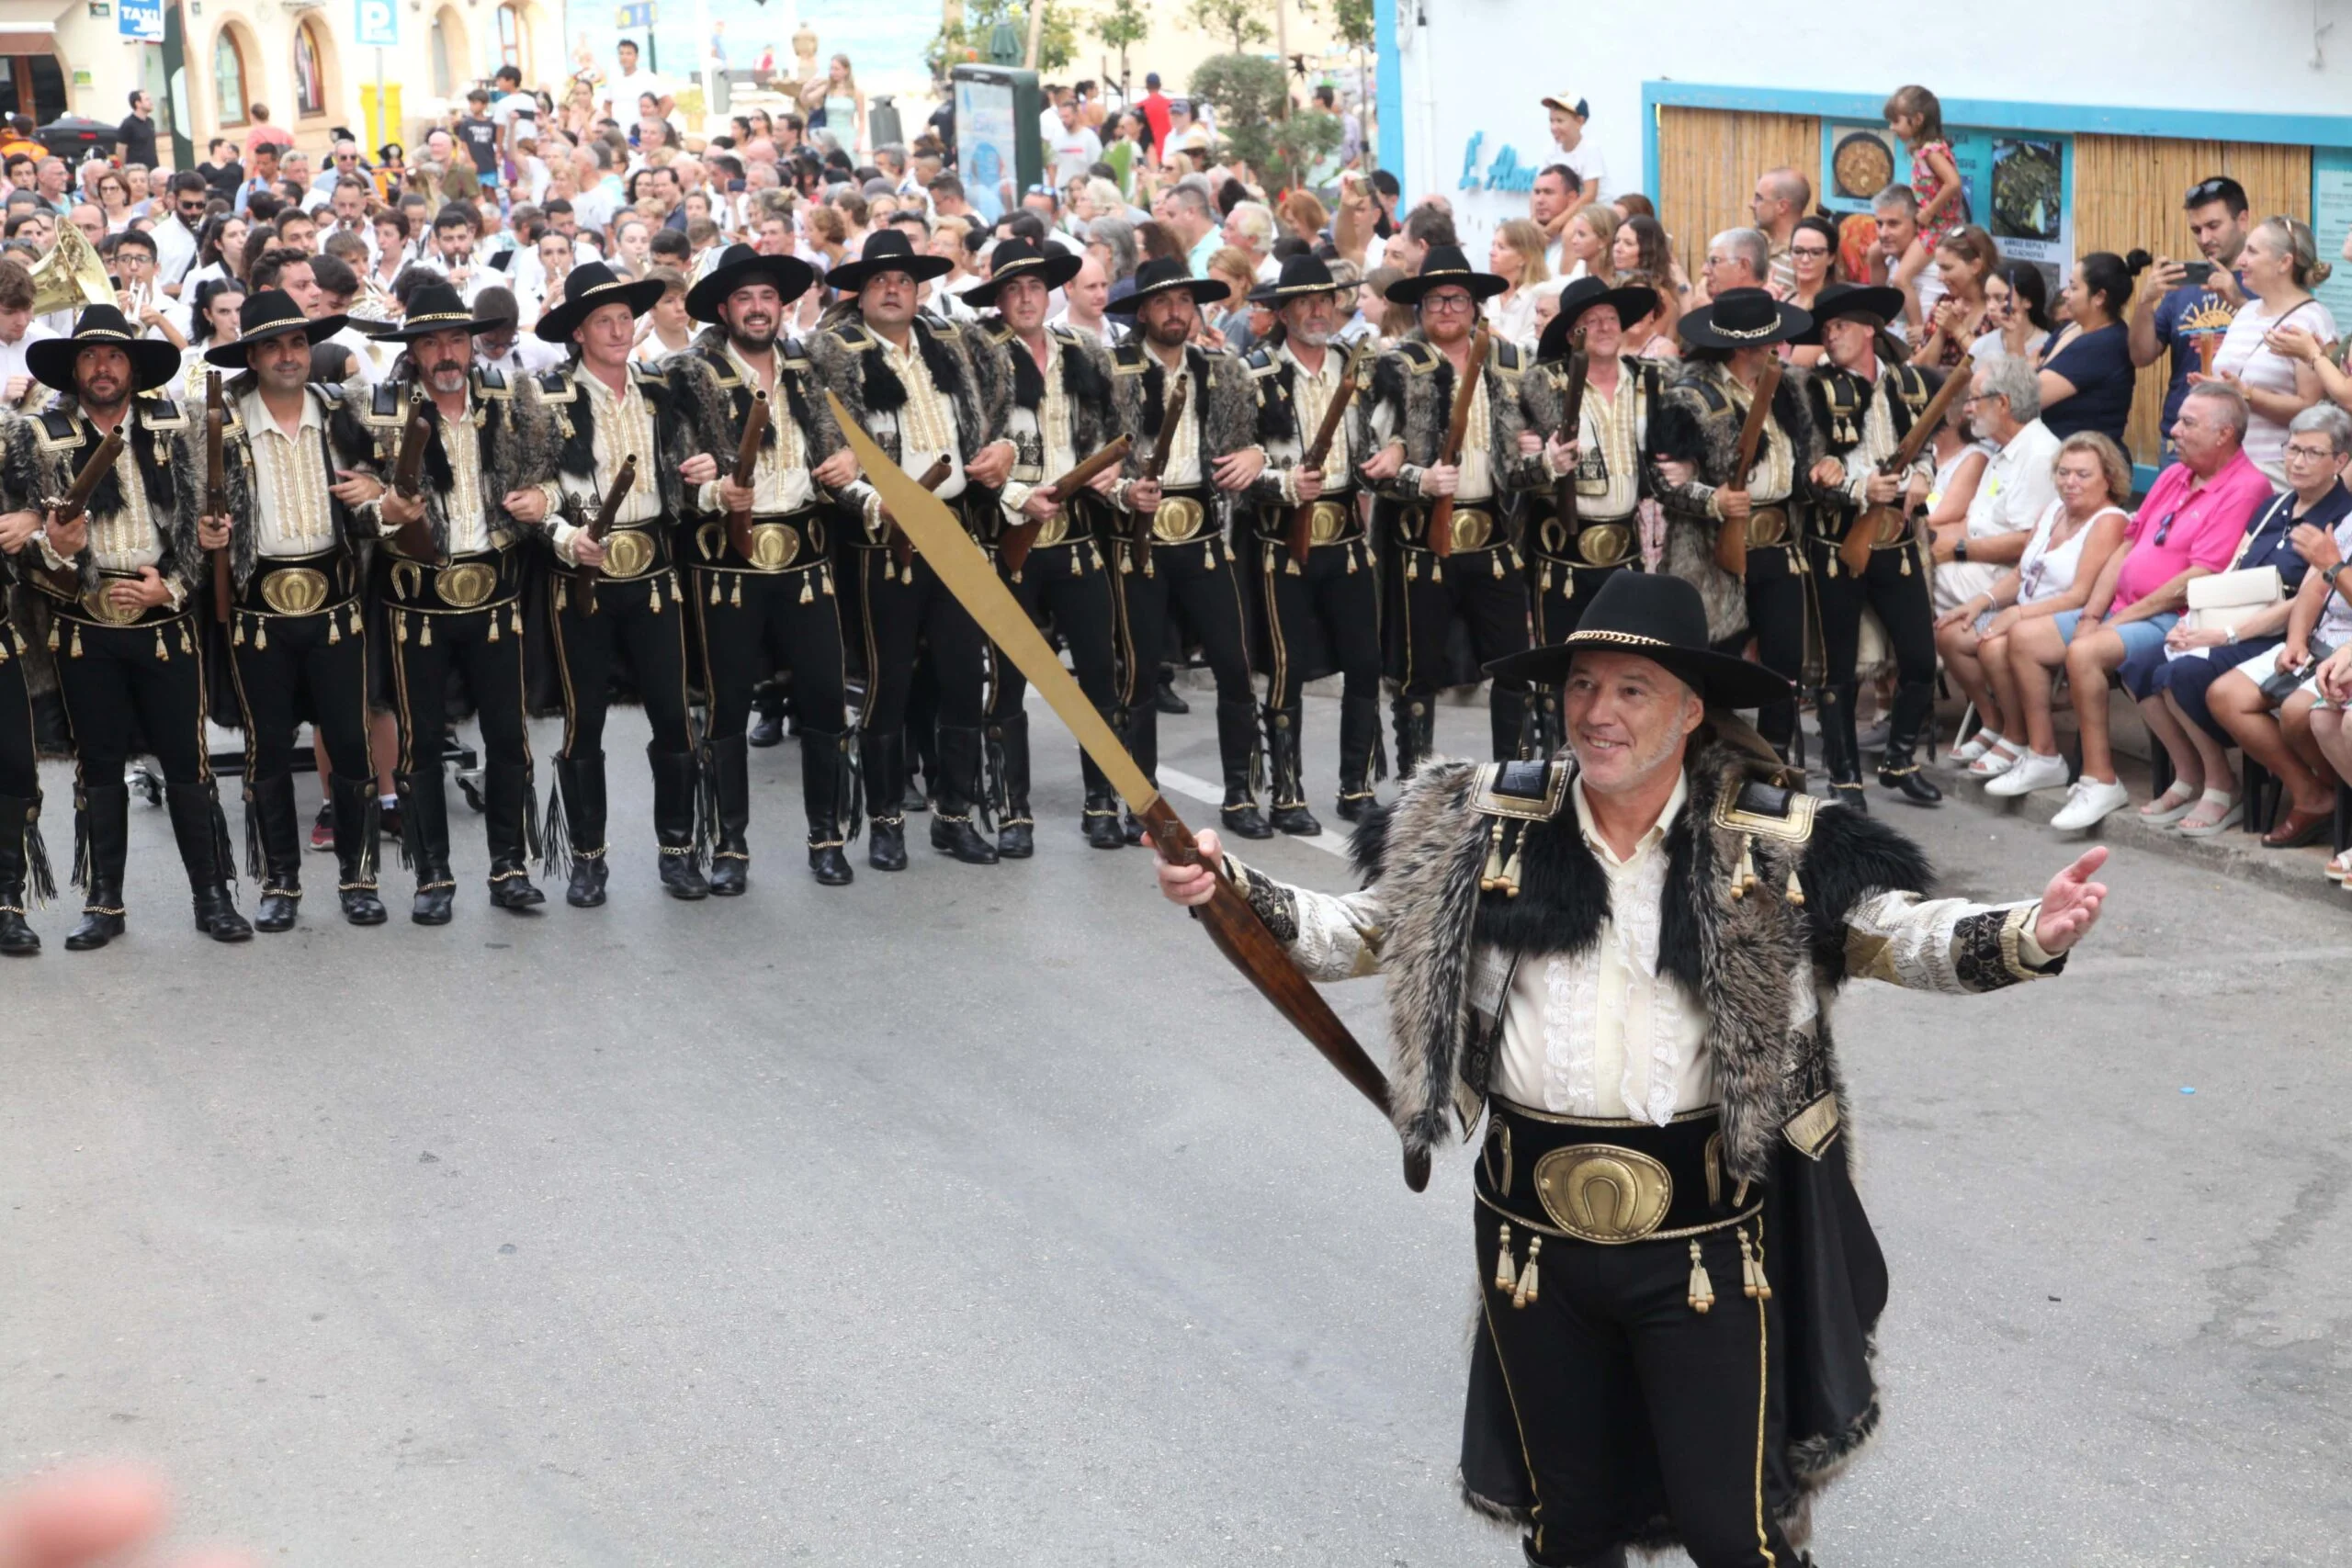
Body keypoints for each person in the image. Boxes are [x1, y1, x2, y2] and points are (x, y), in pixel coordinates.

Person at [1154, 568, 2105, 1568]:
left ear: (1690, 711)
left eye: (1629, 691)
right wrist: (1227, 890)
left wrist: (2027, 931)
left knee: (1731, 1534)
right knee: (1566, 1529)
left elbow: (1893, 934)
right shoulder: (1485, 824)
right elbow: (1365, 935)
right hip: (1532, 1247)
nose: (1595, 714)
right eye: (1580, 687)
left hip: (1704, 1249)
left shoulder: (1766, 838)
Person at [1, 305, 252, 947]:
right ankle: (104, 902)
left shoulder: (178, 424)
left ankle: (213, 894)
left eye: (114, 356)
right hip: (84, 623)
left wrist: (174, 582)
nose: (103, 367)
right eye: (89, 356)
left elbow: (215, 515)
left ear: (133, 368)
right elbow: (27, 535)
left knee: (187, 764)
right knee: (99, 765)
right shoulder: (41, 435)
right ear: (74, 368)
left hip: (165, 616)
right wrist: (53, 540)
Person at [345, 280, 553, 922]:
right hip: (417, 600)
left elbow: (550, 473)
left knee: (508, 737)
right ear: (411, 349)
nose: (445, 353)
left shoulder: (511, 402)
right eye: (431, 341)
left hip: (497, 591)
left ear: (471, 344)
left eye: (455, 339)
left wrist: (543, 498)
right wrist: (386, 508)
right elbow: (355, 507)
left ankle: (509, 865)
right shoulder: (377, 409)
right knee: (420, 745)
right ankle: (432, 874)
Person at [809, 231, 1018, 871]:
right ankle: (886, 819)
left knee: (962, 675)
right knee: (887, 681)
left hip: (955, 525)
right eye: (879, 281)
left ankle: (955, 817)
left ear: (921, 289)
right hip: (883, 537)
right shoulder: (831, 353)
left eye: (903, 280)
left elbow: (999, 415)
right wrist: (868, 493)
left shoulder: (951, 343)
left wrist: (1004, 449)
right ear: (861, 293)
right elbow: (826, 457)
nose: (893, 289)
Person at [1997, 382, 2272, 830]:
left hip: (2179, 615)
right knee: (2025, 638)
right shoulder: (2173, 474)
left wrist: (2118, 619)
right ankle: (2044, 754)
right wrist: (2091, 614)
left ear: (2224, 434)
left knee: (2086, 652)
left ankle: (2100, 778)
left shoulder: (2245, 486)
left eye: (2188, 422)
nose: (2173, 430)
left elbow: (2201, 577)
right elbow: (2127, 548)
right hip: (2126, 609)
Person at [670, 243, 861, 888]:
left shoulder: (812, 367)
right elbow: (675, 471)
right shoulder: (687, 375)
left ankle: (828, 836)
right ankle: (729, 846)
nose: (758, 308)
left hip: (806, 556)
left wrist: (851, 465)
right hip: (726, 564)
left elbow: (849, 445)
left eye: (768, 297)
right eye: (745, 298)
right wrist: (709, 489)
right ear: (724, 309)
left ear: (784, 304)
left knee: (825, 699)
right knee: (726, 706)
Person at [526, 260, 714, 904]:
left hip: (656, 571)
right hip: (582, 577)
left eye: (624, 318)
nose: (617, 329)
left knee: (672, 714)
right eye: (602, 320)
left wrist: (706, 468)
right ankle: (587, 857)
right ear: (577, 332)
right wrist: (562, 537)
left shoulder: (661, 388)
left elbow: (696, 468)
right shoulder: (546, 397)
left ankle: (679, 850)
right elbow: (533, 494)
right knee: (585, 720)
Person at [197, 288, 385, 930]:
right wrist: (205, 535)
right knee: (268, 749)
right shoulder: (219, 423)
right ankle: (281, 881)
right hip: (256, 611)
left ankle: (360, 876)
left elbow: (391, 486)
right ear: (250, 355)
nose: (289, 355)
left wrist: (377, 488)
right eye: (274, 344)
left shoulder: (342, 411)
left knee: (352, 742)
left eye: (299, 342)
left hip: (336, 604)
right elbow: (187, 510)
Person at [967, 238, 1127, 856]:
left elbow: (1112, 435)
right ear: (1000, 299)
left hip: (1080, 536)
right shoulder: (981, 359)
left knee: (1098, 676)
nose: (1027, 297)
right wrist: (1016, 497)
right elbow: (970, 450)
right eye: (1013, 288)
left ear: (1052, 291)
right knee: (1007, 680)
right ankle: (1011, 811)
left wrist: (1114, 474)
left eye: (1035, 286)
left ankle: (1101, 802)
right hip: (1014, 537)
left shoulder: (1084, 352)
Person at [1099, 255, 1270, 839]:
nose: (1177, 312)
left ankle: (1241, 795)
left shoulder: (1222, 368)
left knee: (1234, 666)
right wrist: (1123, 490)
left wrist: (1257, 457)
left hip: (1200, 531)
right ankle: (1140, 802)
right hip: (1135, 535)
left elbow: (1256, 440)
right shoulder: (1110, 368)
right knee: (1139, 676)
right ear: (1143, 310)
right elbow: (1087, 451)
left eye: (1185, 301)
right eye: (1165, 302)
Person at [1365, 244, 1546, 773]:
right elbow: (1370, 463)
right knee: (1416, 673)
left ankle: (1515, 781)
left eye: (1458, 299)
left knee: (1513, 666)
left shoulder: (1511, 362)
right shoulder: (1396, 366)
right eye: (1436, 299)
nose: (1447, 309)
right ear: (1420, 309)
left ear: (1475, 307)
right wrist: (1417, 479)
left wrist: (1546, 457)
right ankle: (1417, 784)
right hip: (1421, 540)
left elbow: (1528, 456)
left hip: (1493, 538)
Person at [1238, 254, 1382, 828]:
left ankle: (1358, 788)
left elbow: (1381, 438)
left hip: (1346, 535)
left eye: (1326, 298)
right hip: (1281, 543)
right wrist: (1283, 483)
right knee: (1286, 668)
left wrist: (1387, 457)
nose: (1318, 309)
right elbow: (1234, 469)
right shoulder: (1253, 373)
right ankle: (1287, 793)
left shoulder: (1360, 365)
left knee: (1366, 664)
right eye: (1305, 301)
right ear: (1284, 311)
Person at [1647, 286, 1821, 757]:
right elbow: (1663, 480)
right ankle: (1707, 760)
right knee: (1718, 662)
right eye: (1769, 341)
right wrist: (1713, 500)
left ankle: (1774, 762)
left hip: (1780, 542)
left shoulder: (1790, 388)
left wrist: (1826, 473)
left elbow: (1804, 463)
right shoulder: (1690, 396)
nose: (1776, 349)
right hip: (1712, 551)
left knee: (1783, 662)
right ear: (1745, 346)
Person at [1800, 283, 1942, 807]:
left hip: (1896, 540)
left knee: (1921, 659)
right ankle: (1843, 777)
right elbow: (1808, 473)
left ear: (1868, 331)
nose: (1830, 336)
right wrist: (1860, 489)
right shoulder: (1812, 389)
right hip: (1837, 540)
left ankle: (1900, 758)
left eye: (1840, 327)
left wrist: (1924, 476)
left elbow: (1925, 447)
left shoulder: (1909, 382)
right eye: (1826, 329)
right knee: (1839, 670)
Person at [1939, 433, 2131, 786]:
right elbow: (2020, 572)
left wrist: (2016, 614)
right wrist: (1980, 602)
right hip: (2026, 609)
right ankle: (1993, 722)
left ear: (2108, 478)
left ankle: (2019, 737)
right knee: (1950, 632)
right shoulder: (2053, 510)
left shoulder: (2109, 521)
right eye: (2063, 472)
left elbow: (2080, 595)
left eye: (2083, 474)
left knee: (1995, 644)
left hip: (2066, 617)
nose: (2070, 482)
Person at [2199, 404, 2352, 845]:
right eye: (2294, 449)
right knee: (2224, 695)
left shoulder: (2337, 513)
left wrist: (2333, 565)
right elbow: (2312, 589)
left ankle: (2337, 799)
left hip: (2345, 650)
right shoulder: (2340, 521)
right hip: (2323, 639)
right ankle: (2313, 794)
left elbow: (2330, 573)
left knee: (2299, 713)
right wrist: (2297, 640)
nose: (2298, 460)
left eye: (2313, 452)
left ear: (2339, 462)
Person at [1523, 276, 1659, 748]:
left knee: (1621, 669)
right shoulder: (1541, 384)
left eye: (1611, 319)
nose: (1604, 327)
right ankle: (1550, 766)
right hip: (1563, 555)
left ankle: (1613, 761)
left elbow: (1667, 449)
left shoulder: (1646, 380)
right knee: (1561, 671)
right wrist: (1543, 462)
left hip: (1624, 552)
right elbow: (1514, 467)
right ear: (1571, 334)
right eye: (1591, 321)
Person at [2200, 215, 2335, 484]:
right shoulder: (2247, 312)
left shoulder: (2311, 320)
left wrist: (2246, 394)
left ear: (2284, 263)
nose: (2240, 261)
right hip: (2227, 461)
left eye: (2252, 251)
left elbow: (2309, 407)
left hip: (2272, 469)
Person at [1930, 355, 2056, 618]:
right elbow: (1973, 521)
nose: (1967, 409)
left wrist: (1957, 550)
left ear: (2002, 403)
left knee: (1904, 580)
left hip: (2001, 576)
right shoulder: (2003, 450)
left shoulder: (2040, 454)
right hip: (1973, 562)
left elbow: (2026, 542)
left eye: (1974, 399)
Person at [2129, 175, 2250, 447]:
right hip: (2182, 434)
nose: (2205, 239)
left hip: (2244, 436)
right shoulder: (2181, 288)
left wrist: (2239, 299)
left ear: (2242, 220)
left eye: (2213, 226)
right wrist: (2145, 302)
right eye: (2196, 230)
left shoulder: (2265, 283)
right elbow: (2140, 356)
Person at [2030, 250, 2144, 446]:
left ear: (2099, 297)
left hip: (2086, 459)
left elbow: (2027, 398)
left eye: (2073, 288)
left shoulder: (2104, 344)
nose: (2065, 294)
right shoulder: (2072, 327)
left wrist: (2029, 369)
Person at [1883, 85, 1962, 267]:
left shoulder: (1931, 152)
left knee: (1901, 278)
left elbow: (1953, 183)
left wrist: (1928, 212)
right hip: (1925, 224)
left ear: (1918, 119)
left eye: (1896, 121)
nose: (1891, 127)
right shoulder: (1925, 150)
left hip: (1938, 228)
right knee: (1875, 253)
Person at [1909, 225, 1998, 370]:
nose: (1940, 277)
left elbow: (1991, 368)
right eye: (1938, 268)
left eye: (1947, 268)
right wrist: (1942, 330)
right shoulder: (1945, 303)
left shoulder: (1997, 310)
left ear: (1975, 266)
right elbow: (1920, 369)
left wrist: (1956, 328)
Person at [1485, 218, 1551, 349]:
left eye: (1501, 247)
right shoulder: (1488, 295)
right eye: (1493, 245)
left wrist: (1487, 333)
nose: (1491, 252)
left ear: (1523, 258)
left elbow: (1529, 352)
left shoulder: (1539, 299)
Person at [1537, 91, 1606, 211]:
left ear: (1580, 122)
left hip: (1594, 213)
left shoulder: (1590, 149)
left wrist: (1556, 224)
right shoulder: (1550, 151)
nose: (1553, 127)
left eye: (1560, 121)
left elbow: (1590, 196)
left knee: (1569, 230)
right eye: (1551, 121)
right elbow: (1540, 188)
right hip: (1564, 212)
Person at [1972, 260, 2052, 363]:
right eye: (1987, 298)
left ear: (2027, 301)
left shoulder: (2049, 347)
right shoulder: (1981, 346)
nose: (1990, 307)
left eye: (1999, 298)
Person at [1748, 167, 1808, 296]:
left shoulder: (1801, 261)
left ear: (1782, 206)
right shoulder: (1763, 249)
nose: (1751, 204)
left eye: (1758, 198)